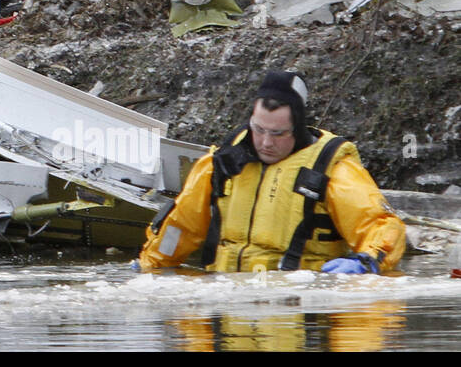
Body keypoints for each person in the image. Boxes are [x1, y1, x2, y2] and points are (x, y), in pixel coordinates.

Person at [136, 71, 406, 274]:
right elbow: (179, 228)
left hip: (297, 304)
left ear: (298, 127)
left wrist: (366, 261)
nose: (265, 142)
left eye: (277, 133)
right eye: (259, 129)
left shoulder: (333, 170)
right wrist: (149, 266)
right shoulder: (224, 162)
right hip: (228, 298)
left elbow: (380, 225)